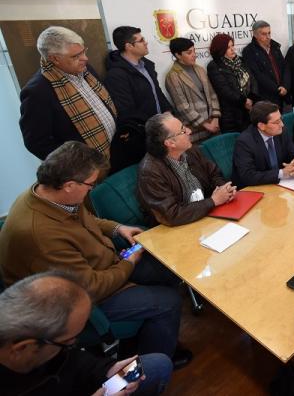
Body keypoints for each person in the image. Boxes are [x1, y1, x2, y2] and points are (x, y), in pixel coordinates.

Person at [0, 142, 189, 364]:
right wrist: (128, 263)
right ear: (70, 185)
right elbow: (90, 289)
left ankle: (149, 332)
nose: (92, 188)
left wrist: (118, 228)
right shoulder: (40, 235)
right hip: (81, 301)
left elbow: (83, 220)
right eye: (91, 185)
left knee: (165, 267)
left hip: (103, 265)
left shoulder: (50, 193)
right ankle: (149, 361)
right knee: (169, 301)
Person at [0, 271, 173, 396]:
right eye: (70, 340)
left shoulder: (41, 343)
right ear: (22, 347)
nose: (75, 343)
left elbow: (71, 359)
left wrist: (107, 369)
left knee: (158, 365)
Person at [19, 26, 118, 164]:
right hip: (87, 168)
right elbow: (36, 142)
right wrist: (76, 164)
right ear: (54, 58)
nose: (85, 58)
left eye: (83, 51)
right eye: (76, 56)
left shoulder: (85, 69)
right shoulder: (37, 91)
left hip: (115, 152)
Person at [137, 112, 236, 226]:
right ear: (170, 143)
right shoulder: (150, 172)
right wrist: (213, 201)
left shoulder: (189, 149)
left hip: (206, 215)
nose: (189, 131)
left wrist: (224, 190)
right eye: (183, 130)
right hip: (176, 229)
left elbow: (214, 174)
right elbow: (172, 215)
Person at [104, 26, 173, 171]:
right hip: (144, 137)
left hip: (162, 130)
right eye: (141, 40)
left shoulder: (146, 65)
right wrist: (156, 125)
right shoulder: (116, 75)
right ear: (129, 46)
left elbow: (157, 93)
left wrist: (168, 112)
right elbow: (127, 112)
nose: (146, 42)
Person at [231, 101, 294, 188]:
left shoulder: (281, 132)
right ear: (261, 126)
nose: (282, 124)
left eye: (281, 119)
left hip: (280, 185)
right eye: (276, 122)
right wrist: (282, 173)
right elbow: (248, 176)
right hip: (255, 189)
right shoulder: (244, 142)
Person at [164, 37, 221, 144]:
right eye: (189, 52)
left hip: (213, 125)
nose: (194, 54)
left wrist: (215, 118)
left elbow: (212, 94)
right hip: (195, 131)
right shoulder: (173, 76)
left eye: (194, 51)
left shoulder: (200, 69)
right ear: (178, 55)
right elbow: (182, 107)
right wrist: (205, 124)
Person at [207, 33, 257, 133]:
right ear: (220, 49)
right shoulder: (214, 66)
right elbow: (224, 90)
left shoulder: (241, 61)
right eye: (228, 47)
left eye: (232, 45)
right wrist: (244, 101)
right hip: (231, 115)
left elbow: (253, 80)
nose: (232, 49)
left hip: (250, 110)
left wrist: (252, 97)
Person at [241, 20, 289, 110]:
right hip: (265, 98)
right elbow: (257, 75)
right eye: (264, 34)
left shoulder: (275, 47)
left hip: (282, 95)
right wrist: (278, 89)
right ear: (255, 35)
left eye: (269, 33)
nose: (268, 37)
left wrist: (285, 86)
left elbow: (285, 67)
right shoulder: (249, 51)